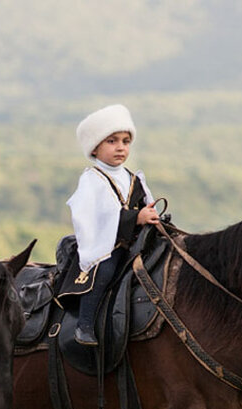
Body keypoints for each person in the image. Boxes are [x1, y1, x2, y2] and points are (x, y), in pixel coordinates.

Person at [65, 104, 161, 346]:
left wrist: (152, 217)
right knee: (105, 269)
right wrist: (135, 218)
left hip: (135, 242)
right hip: (106, 245)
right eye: (112, 141)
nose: (121, 147)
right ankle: (84, 325)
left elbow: (143, 204)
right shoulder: (92, 180)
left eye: (126, 141)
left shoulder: (133, 178)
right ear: (95, 148)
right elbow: (90, 217)